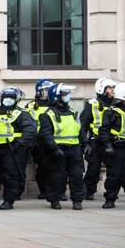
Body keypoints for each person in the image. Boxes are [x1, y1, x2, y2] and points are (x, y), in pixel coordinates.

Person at [0, 86, 37, 210]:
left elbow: (30, 130)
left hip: (12, 149)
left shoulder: (22, 113)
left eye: (11, 98)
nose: (8, 100)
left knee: (11, 175)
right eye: (6, 97)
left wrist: (21, 142)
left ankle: (9, 200)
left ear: (16, 99)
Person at [38, 82, 85, 210]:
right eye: (64, 94)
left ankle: (77, 200)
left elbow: (80, 130)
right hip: (57, 149)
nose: (67, 96)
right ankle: (55, 200)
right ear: (56, 97)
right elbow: (45, 134)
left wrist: (85, 145)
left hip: (74, 149)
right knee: (56, 176)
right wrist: (54, 149)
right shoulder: (48, 114)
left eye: (68, 94)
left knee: (76, 175)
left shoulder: (73, 112)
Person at [28, 79, 55, 199]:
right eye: (45, 90)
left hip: (53, 140)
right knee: (42, 167)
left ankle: (58, 191)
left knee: (57, 168)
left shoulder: (55, 105)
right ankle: (44, 190)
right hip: (38, 142)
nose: (48, 92)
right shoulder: (31, 106)